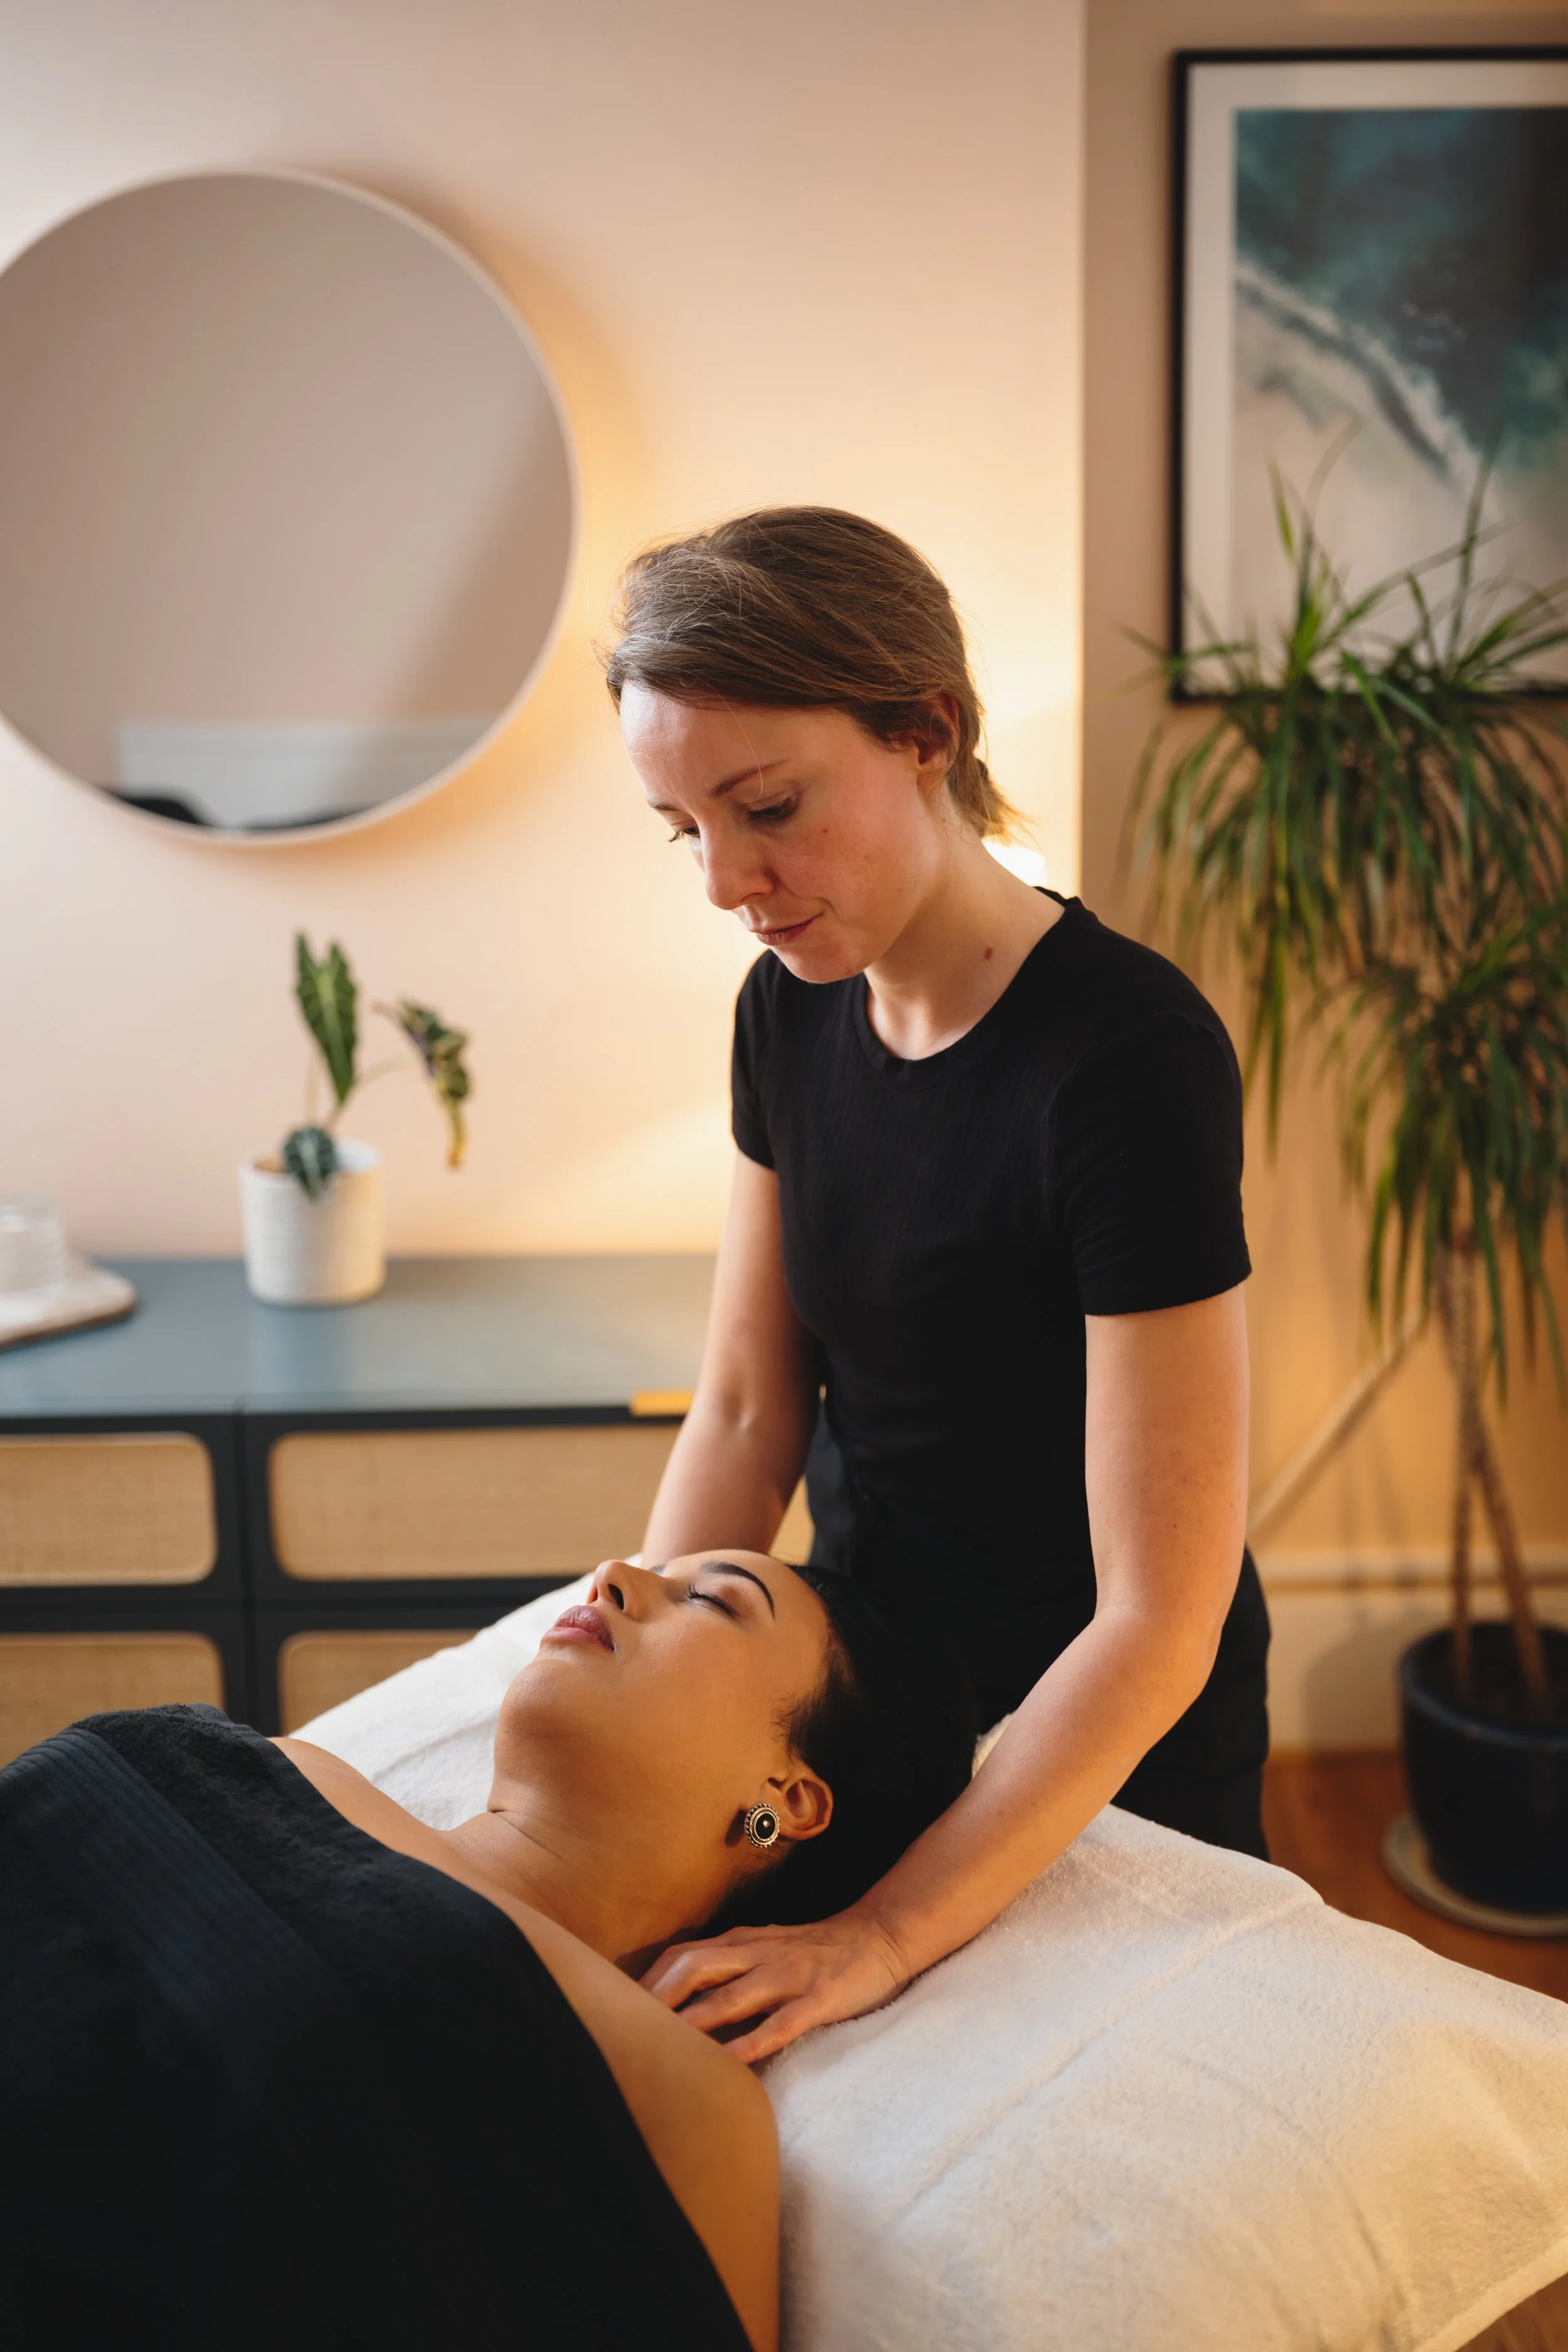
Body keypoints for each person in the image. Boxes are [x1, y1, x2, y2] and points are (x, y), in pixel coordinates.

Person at [605, 506, 1269, 2066]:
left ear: (926, 734)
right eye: (683, 828)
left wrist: (881, 1936)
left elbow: (1158, 1618)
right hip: (865, 1698)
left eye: (763, 808)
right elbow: (753, 1407)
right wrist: (633, 1678)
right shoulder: (782, 1014)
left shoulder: (1125, 1065)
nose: (724, 882)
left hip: (1106, 1745)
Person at [0, 1549, 973, 2352]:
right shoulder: (264, 1760)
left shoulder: (686, 2101)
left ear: (788, 1796)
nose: (615, 1575)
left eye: (711, 1600)